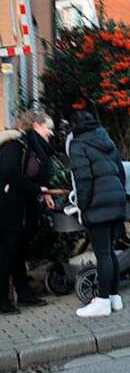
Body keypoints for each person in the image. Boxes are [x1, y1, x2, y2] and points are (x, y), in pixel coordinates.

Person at [66, 111, 128, 318]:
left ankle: (102, 301)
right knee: (109, 251)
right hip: (116, 199)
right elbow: (120, 171)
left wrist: (82, 206)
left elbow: (83, 179)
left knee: (102, 254)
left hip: (97, 204)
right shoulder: (105, 139)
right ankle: (114, 297)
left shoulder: (78, 145)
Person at [0, 111, 56, 313]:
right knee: (8, 252)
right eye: (48, 128)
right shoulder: (16, 144)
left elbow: (37, 174)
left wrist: (45, 191)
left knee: (18, 251)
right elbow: (9, 172)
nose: (51, 133)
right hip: (9, 208)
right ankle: (3, 300)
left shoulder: (32, 147)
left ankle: (24, 294)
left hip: (22, 207)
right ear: (36, 126)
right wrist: (36, 189)